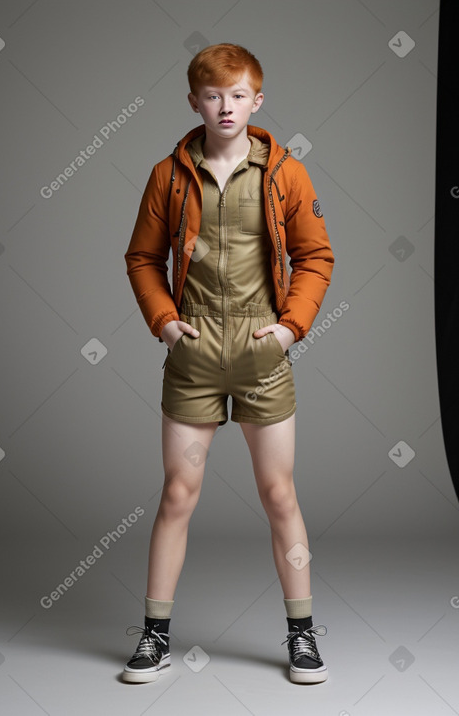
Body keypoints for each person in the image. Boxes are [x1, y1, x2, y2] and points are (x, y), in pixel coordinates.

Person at [122, 43, 334, 685]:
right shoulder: (168, 174)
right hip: (192, 354)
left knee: (279, 493)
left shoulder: (286, 173)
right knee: (177, 495)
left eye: (238, 95)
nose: (225, 106)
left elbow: (316, 256)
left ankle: (302, 636)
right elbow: (141, 259)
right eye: (213, 96)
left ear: (257, 101)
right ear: (194, 102)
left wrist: (289, 330)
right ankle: (154, 637)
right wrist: (163, 323)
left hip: (261, 351)